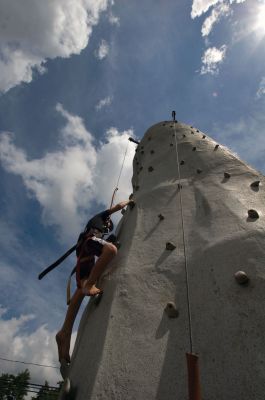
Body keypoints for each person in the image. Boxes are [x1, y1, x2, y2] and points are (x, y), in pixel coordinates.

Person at [56, 199, 134, 366]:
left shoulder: (93, 231)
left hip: (85, 257)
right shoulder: (99, 218)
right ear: (106, 221)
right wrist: (129, 201)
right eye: (107, 226)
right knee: (111, 250)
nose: (106, 228)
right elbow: (118, 207)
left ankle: (65, 333)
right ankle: (89, 284)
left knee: (80, 291)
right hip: (88, 246)